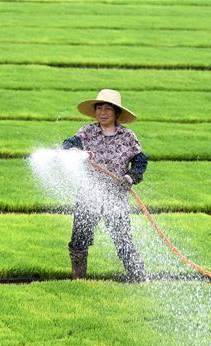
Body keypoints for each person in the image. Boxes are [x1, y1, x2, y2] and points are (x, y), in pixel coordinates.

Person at [61, 89, 148, 282]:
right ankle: (78, 279)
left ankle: (139, 279)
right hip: (89, 195)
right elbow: (68, 144)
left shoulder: (128, 137)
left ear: (116, 112)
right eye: (99, 108)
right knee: (79, 240)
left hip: (115, 197)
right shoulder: (87, 132)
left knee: (123, 241)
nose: (103, 112)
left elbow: (140, 161)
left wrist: (131, 177)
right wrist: (77, 152)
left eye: (108, 108)